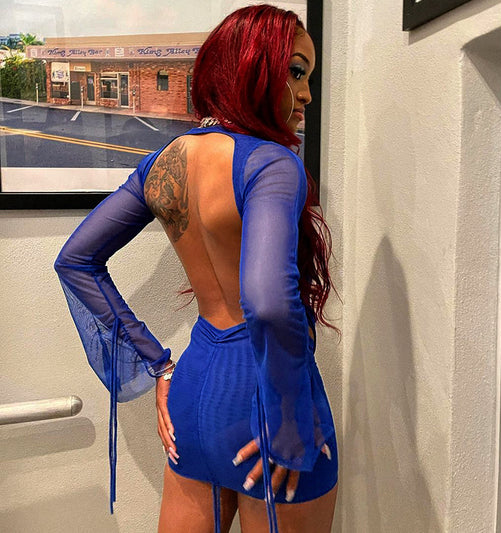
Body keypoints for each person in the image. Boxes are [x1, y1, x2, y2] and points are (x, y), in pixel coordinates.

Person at [54, 5, 338, 532]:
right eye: (296, 72)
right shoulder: (272, 162)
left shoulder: (163, 162)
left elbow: (76, 260)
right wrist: (291, 422)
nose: (306, 95)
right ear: (252, 66)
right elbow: (268, 302)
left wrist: (157, 365)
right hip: (267, 407)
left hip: (195, 390)